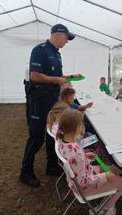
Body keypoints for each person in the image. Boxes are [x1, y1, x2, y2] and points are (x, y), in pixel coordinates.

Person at [20, 23, 82, 188]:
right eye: (66, 38)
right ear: (57, 34)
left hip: (52, 100)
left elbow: (56, 75)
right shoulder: (39, 50)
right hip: (39, 101)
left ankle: (52, 166)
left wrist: (69, 77)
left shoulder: (56, 53)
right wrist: (57, 80)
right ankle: (25, 172)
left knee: (52, 134)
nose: (67, 41)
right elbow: (34, 76)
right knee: (37, 136)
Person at [57, 110, 122, 215]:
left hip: (80, 178)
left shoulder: (63, 142)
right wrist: (105, 176)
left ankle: (108, 203)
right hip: (84, 188)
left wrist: (85, 156)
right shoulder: (75, 153)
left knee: (111, 169)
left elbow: (74, 161)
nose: (82, 127)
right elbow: (84, 183)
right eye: (81, 124)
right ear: (76, 128)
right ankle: (102, 209)